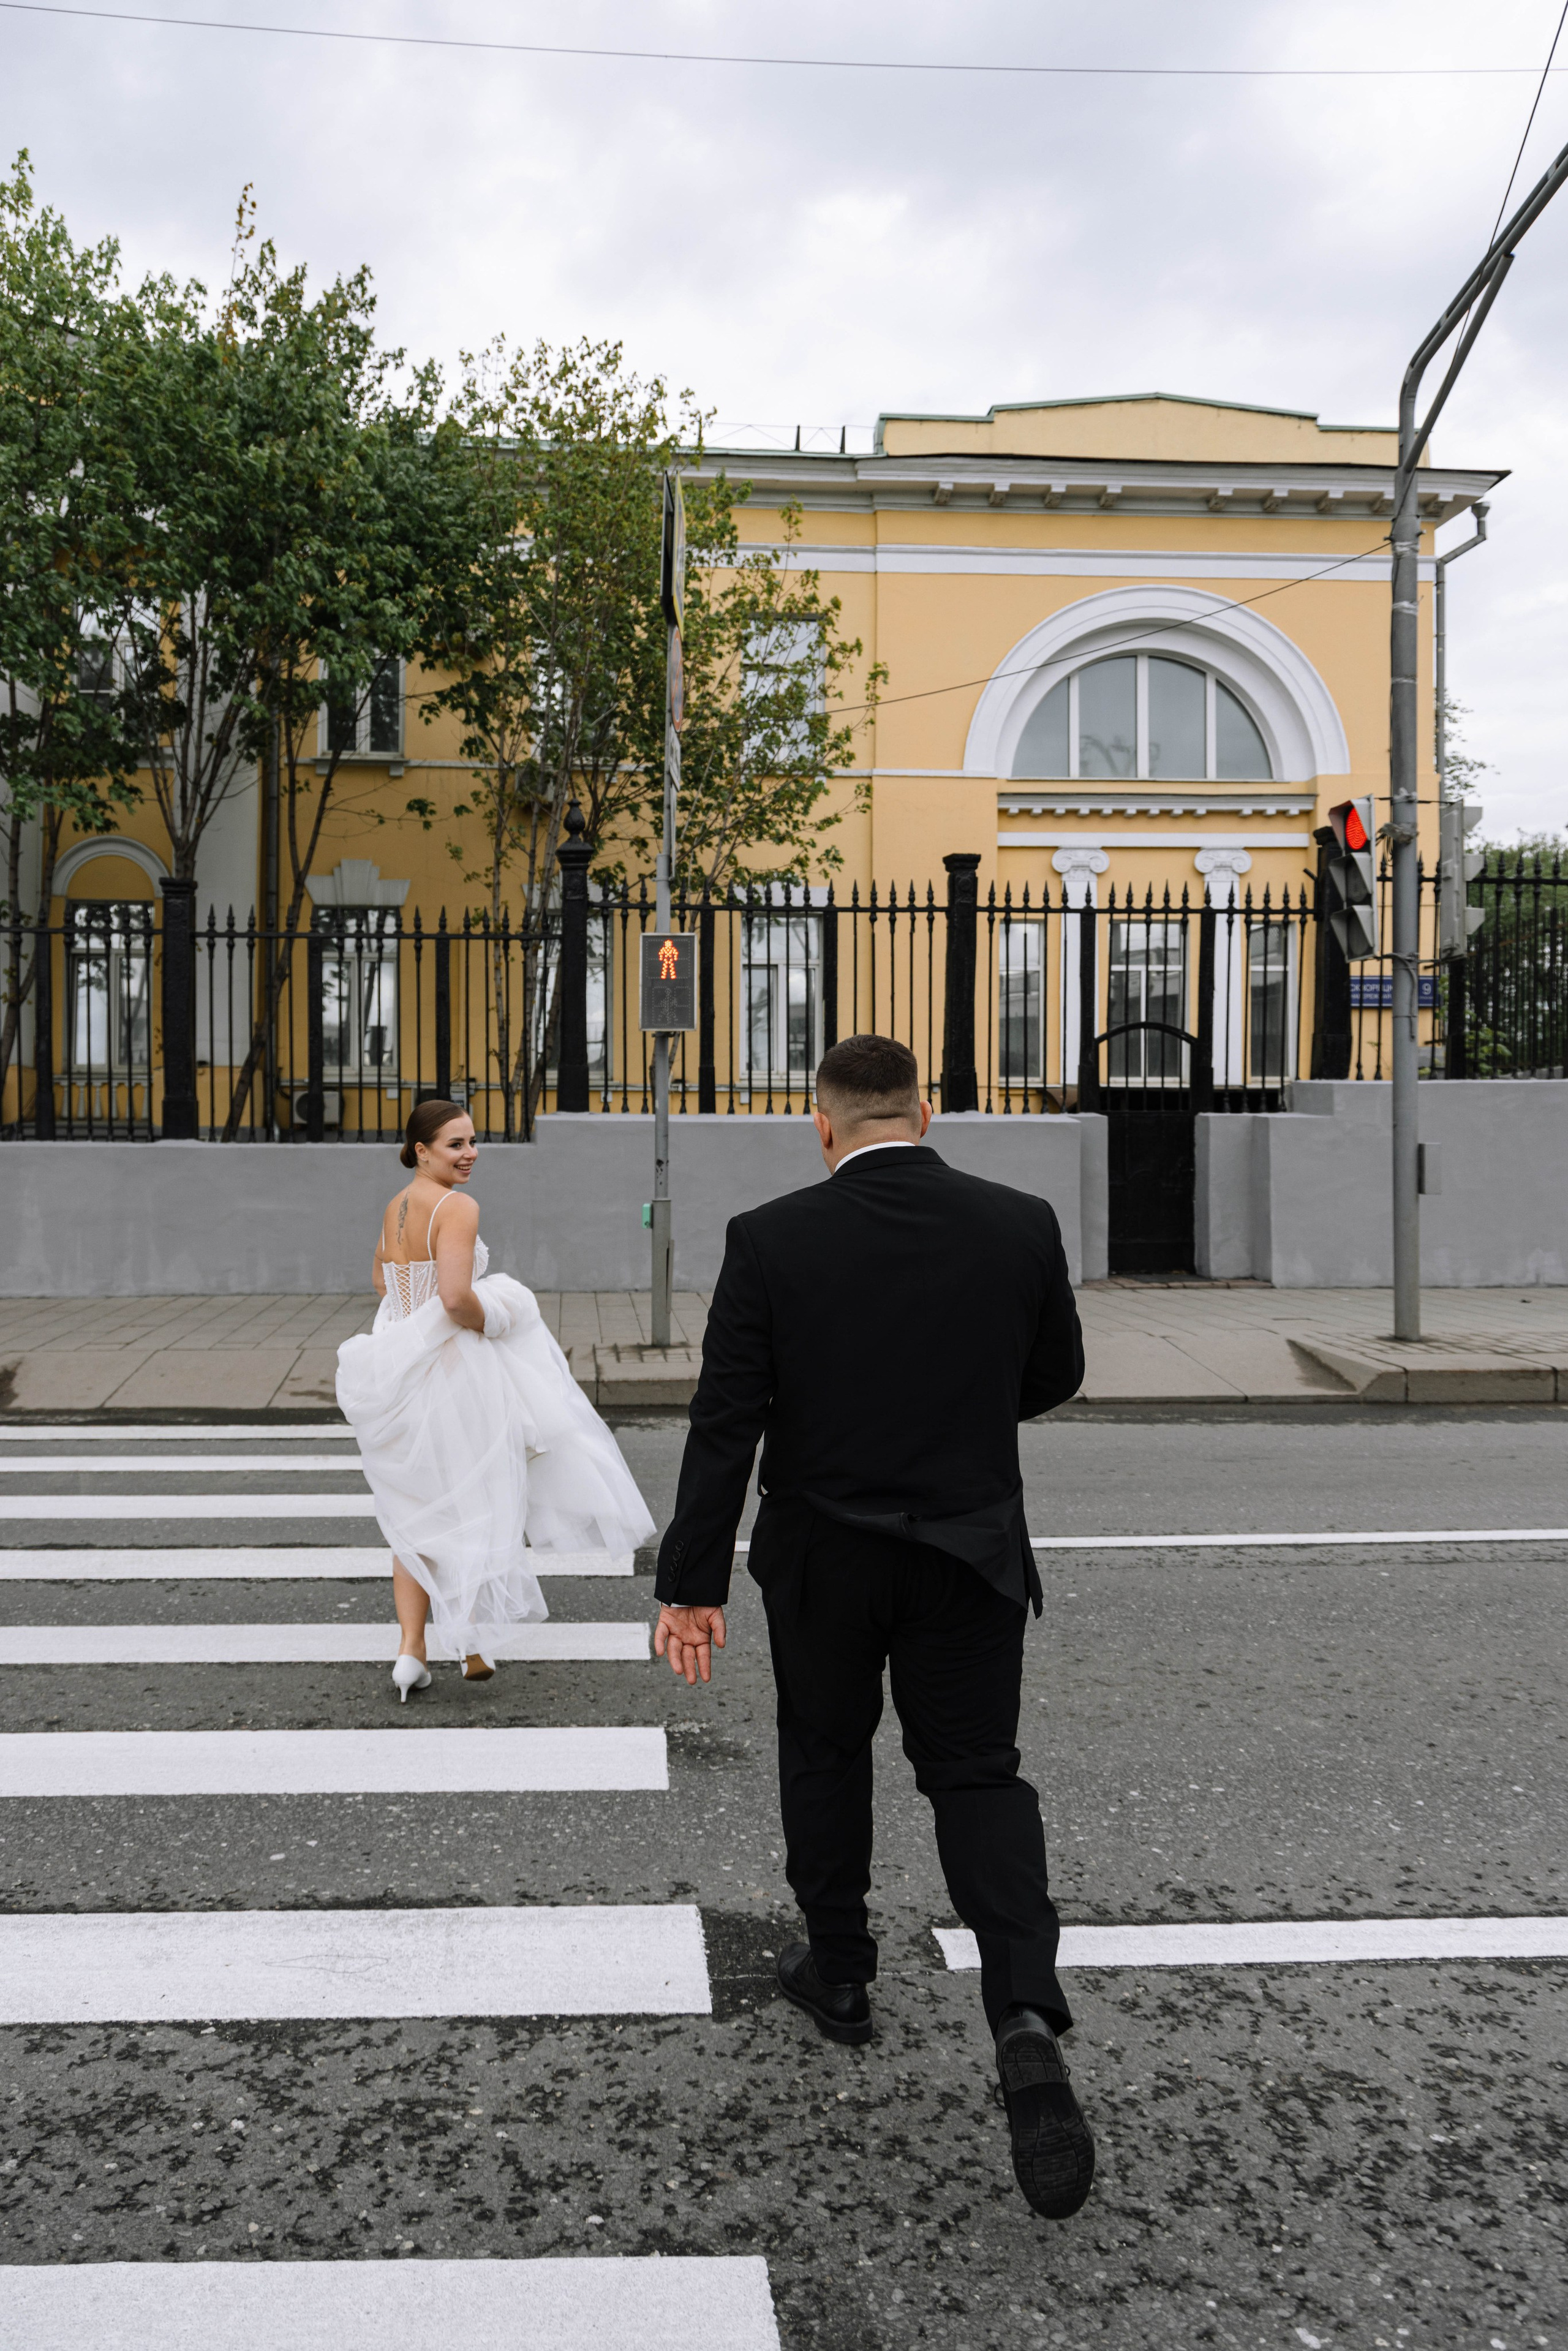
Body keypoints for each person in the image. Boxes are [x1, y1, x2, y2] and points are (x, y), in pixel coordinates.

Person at [652, 1033, 1093, 2220]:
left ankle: (839, 1972)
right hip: (966, 1545)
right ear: (926, 1107)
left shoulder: (771, 1237)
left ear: (821, 1122)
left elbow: (724, 1418)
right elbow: (1054, 1369)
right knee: (974, 1771)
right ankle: (1017, 2003)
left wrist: (687, 1579)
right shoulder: (1018, 1221)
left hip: (826, 1552)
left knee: (824, 1749)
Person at [337, 1098, 654, 1698]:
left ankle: (412, 1650)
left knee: (414, 1514)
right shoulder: (456, 1207)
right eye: (455, 1144)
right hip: (454, 1373)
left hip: (399, 1373)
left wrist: (412, 1316)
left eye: (473, 1141)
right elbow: (457, 1300)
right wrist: (502, 1318)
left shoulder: (396, 1205)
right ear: (422, 1148)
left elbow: (384, 1280)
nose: (470, 1153)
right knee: (473, 1502)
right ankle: (472, 1641)